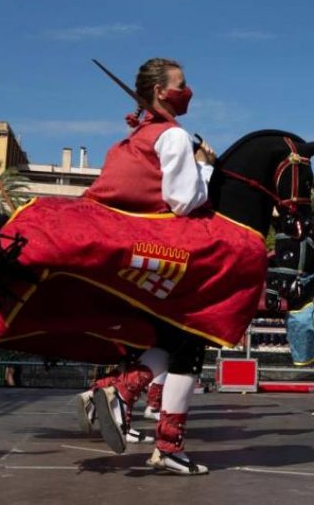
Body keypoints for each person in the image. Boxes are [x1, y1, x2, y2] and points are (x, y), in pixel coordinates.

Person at [76, 57, 217, 475]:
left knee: (177, 340)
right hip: (162, 255)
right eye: (182, 84)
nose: (188, 90)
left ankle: (127, 398)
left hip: (129, 259)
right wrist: (205, 168)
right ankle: (139, 412)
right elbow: (183, 202)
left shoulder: (132, 140)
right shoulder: (172, 137)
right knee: (191, 339)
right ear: (161, 92)